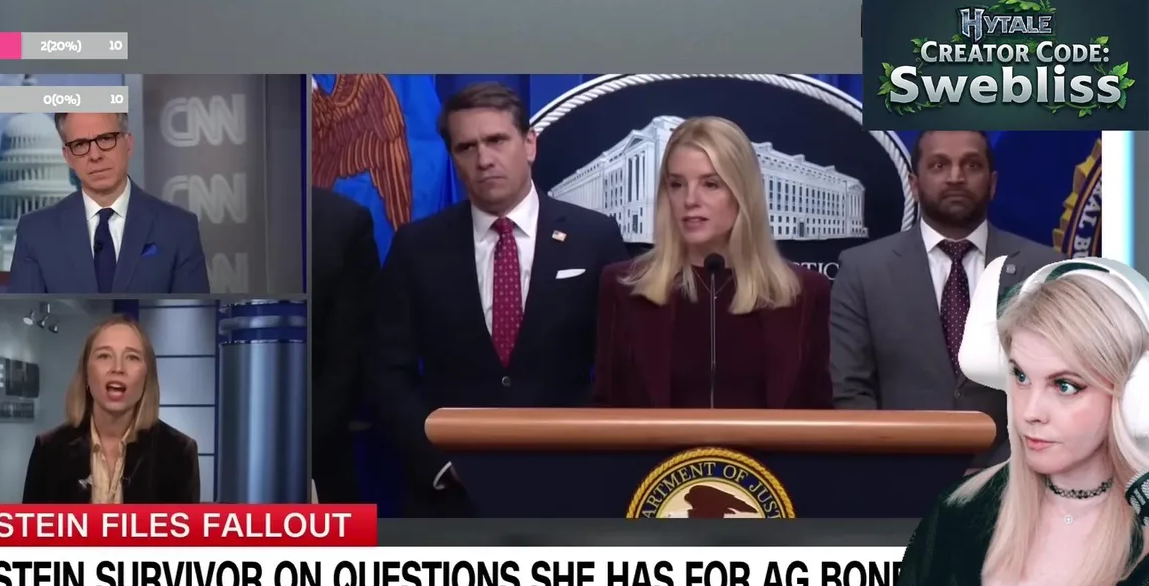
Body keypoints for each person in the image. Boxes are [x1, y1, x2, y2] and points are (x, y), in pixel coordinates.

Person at [826, 256, 1149, 586]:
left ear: (1135, 395)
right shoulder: (963, 510)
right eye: (1020, 376)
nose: (1029, 411)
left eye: (1065, 386)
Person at [369, 82, 628, 517]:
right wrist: (441, 462)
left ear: (529, 144)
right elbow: (387, 372)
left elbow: (620, 366)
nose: (484, 159)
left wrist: (582, 450)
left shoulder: (594, 237)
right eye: (466, 147)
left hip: (569, 486)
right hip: (452, 501)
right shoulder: (417, 247)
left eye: (496, 140)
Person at [830, 130, 1058, 467]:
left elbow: (1058, 381)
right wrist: (885, 469)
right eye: (939, 165)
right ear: (914, 184)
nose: (955, 177)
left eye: (971, 165)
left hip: (1018, 475)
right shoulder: (863, 270)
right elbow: (851, 390)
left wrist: (1013, 470)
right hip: (898, 474)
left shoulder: (1043, 268)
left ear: (993, 183)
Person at [593, 116, 831, 409]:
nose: (690, 199)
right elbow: (606, 408)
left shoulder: (804, 292)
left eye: (710, 184)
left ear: (742, 193)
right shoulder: (624, 287)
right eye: (677, 184)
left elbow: (818, 411)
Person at [7, 112, 211, 294]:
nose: (95, 156)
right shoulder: (35, 232)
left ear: (128, 144)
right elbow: (24, 314)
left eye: (105, 139)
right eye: (80, 145)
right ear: (68, 157)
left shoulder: (178, 228)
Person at [22, 314, 201, 503]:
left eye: (132, 357)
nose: (117, 368)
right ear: (86, 373)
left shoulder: (178, 452)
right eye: (104, 356)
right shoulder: (49, 450)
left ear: (147, 377)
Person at [310, 187, 380, 503]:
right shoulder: (195, 219)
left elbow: (350, 352)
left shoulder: (343, 222)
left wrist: (304, 445)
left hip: (325, 451)